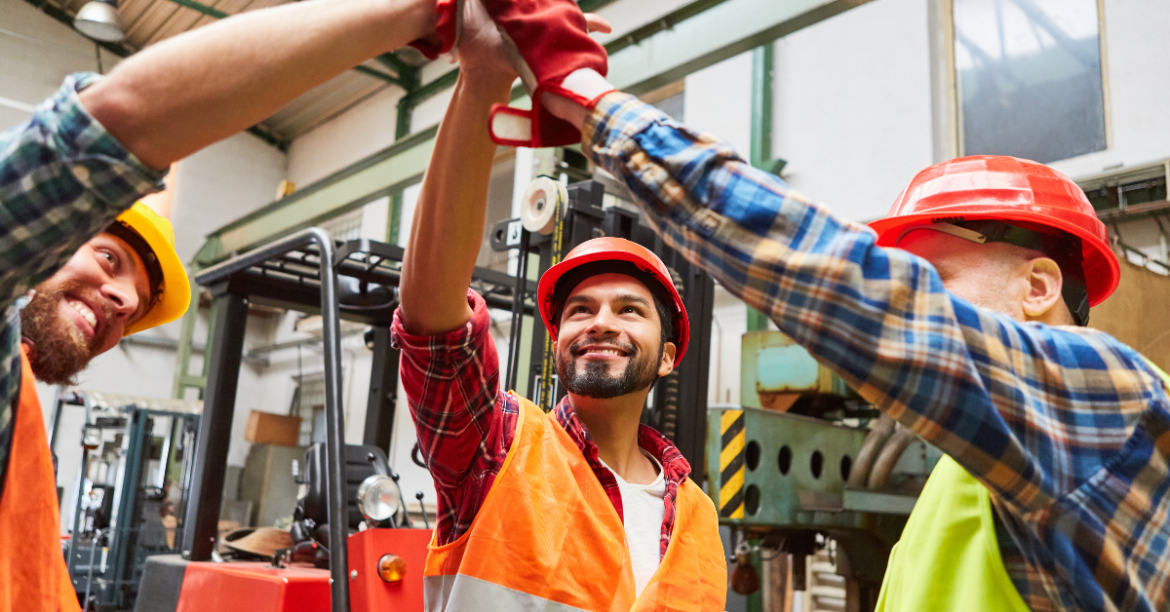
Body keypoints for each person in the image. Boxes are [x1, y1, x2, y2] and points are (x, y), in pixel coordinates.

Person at [478, 15, 1170, 612]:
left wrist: (588, 98)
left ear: (1040, 285)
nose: (906, 297)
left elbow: (842, 283)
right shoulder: (973, 477)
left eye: (931, 278)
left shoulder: (1101, 410)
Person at [0, 1, 443, 609]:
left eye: (131, 313)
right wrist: (422, 12)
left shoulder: (18, 396)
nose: (123, 303)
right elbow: (100, 135)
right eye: (108, 258)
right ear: (53, 234)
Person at [393, 2, 727, 609]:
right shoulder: (497, 451)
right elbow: (433, 329)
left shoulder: (699, 520)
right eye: (579, 310)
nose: (600, 320)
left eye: (630, 310)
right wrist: (485, 80)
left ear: (670, 356)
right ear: (557, 340)